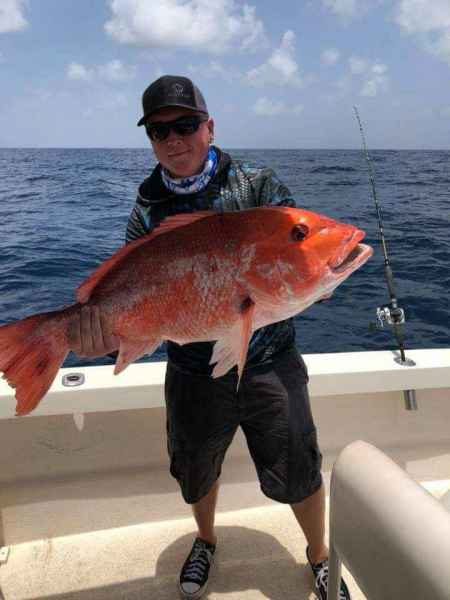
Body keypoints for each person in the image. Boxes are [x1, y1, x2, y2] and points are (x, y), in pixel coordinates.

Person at [69, 75, 351, 600]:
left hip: (269, 360)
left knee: (299, 464)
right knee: (196, 469)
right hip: (191, 370)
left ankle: (318, 555)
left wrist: (320, 280)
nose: (173, 139)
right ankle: (206, 540)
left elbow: (298, 255)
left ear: (209, 126)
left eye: (185, 125)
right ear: (150, 139)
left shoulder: (258, 187)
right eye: (159, 131)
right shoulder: (147, 207)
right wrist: (103, 339)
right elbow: (131, 297)